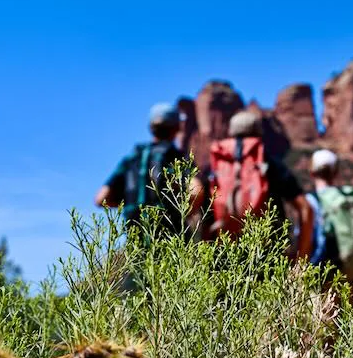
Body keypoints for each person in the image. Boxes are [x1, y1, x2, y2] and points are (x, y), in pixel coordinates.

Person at [207, 110, 313, 261]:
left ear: (230, 133)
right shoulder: (269, 163)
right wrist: (301, 260)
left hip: (224, 257)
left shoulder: (217, 165)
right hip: (267, 254)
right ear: (259, 134)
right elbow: (305, 208)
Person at [94, 102, 205, 235]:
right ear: (177, 128)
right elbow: (197, 191)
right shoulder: (176, 158)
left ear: (151, 127)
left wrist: (132, 204)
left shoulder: (131, 159)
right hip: (170, 238)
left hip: (135, 239)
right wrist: (183, 212)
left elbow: (101, 199)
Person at [308, 148, 353, 291]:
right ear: (335, 172)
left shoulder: (313, 201)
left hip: (328, 275)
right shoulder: (351, 197)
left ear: (312, 172)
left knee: (326, 313)